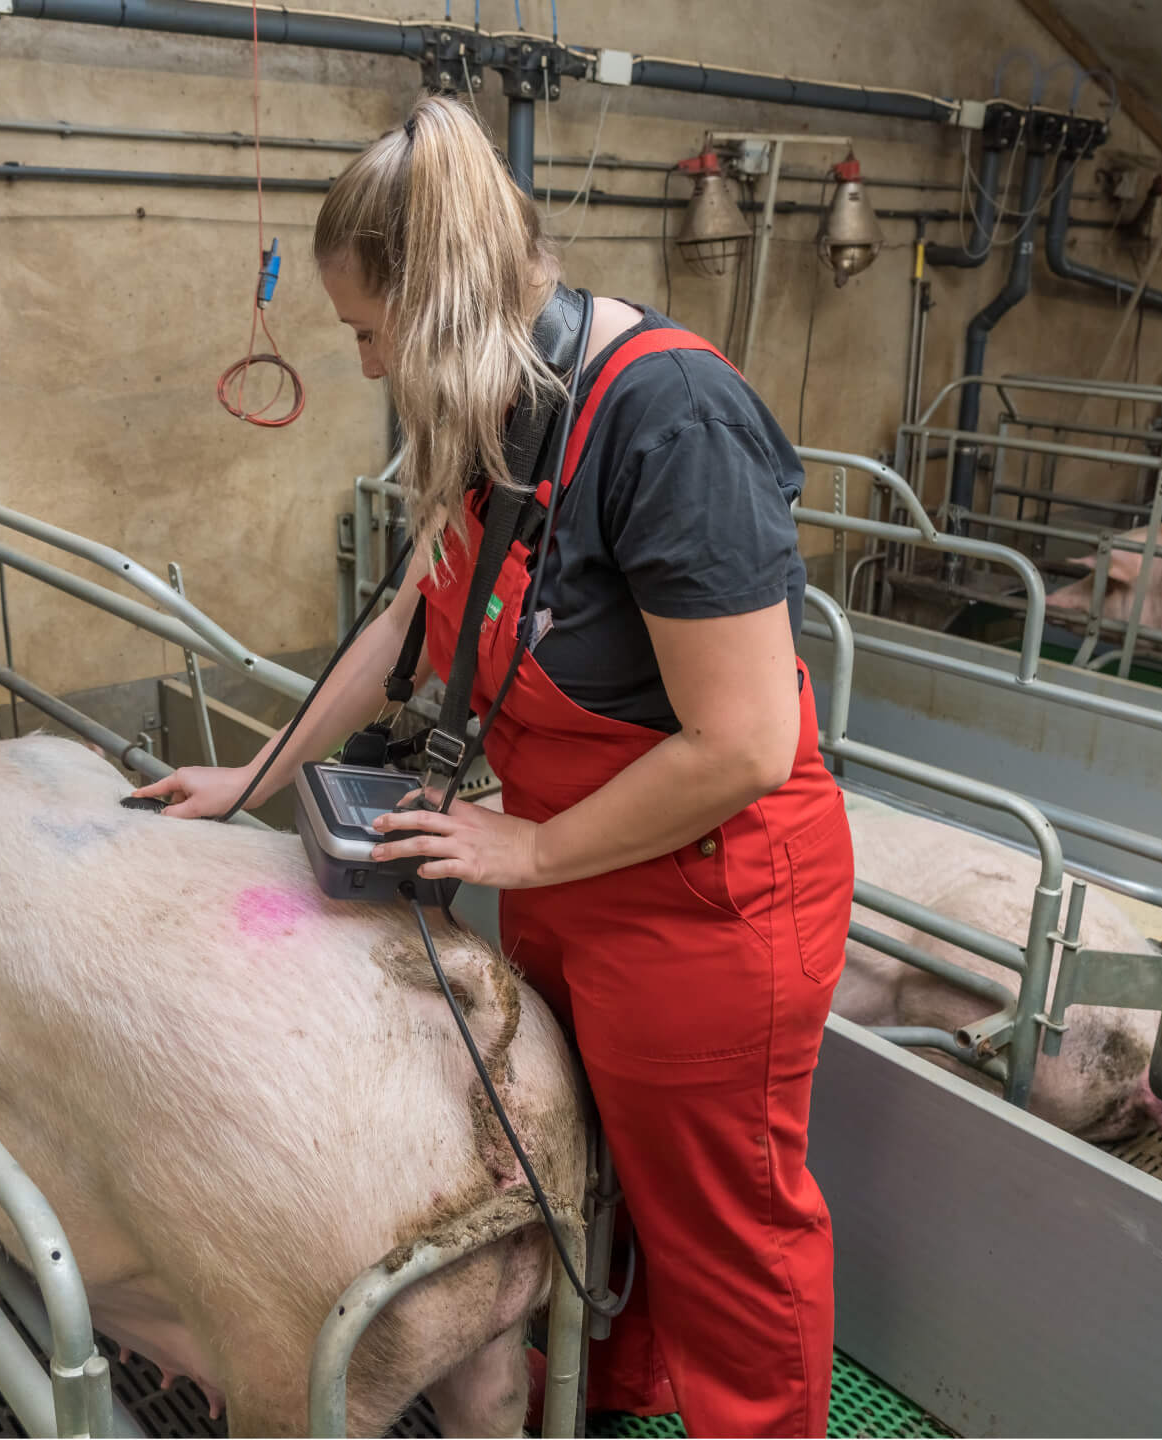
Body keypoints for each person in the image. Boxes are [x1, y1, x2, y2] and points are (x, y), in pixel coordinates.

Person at [135, 93, 853, 1438]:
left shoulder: (670, 422)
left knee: (729, 1241)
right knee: (588, 1182)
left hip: (707, 901)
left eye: (366, 332)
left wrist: (522, 849)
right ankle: (610, 1396)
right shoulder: (502, 407)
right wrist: (251, 776)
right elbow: (407, 619)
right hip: (571, 866)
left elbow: (748, 743)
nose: (360, 368)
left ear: (445, 305)